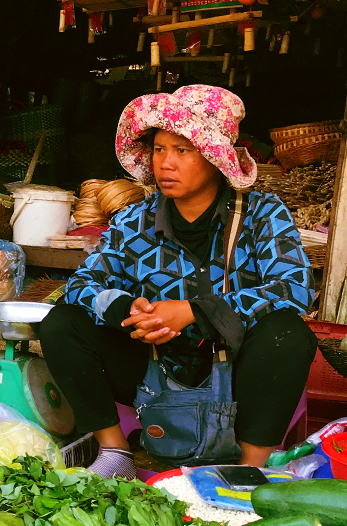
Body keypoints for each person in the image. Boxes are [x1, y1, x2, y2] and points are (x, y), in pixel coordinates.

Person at [39, 85, 316, 477]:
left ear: (214, 158)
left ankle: (249, 469)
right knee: (63, 323)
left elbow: (294, 289)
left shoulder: (262, 215)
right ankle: (116, 453)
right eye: (158, 149)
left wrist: (193, 312)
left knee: (287, 333)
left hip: (238, 373)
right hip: (153, 368)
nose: (165, 163)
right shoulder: (134, 221)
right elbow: (82, 284)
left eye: (182, 151)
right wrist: (126, 308)